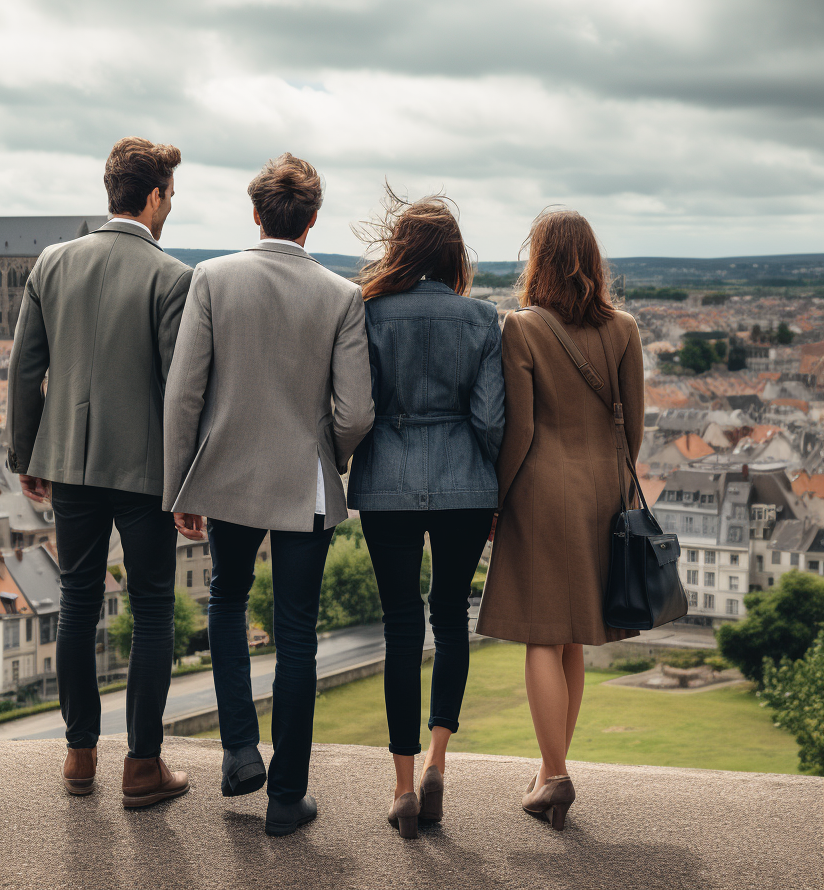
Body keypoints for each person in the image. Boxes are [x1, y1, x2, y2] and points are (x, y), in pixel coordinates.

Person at [163, 152, 374, 837]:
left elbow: (185, 392)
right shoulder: (342, 296)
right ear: (312, 221)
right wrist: (328, 457)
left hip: (223, 475)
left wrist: (180, 485)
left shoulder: (212, 278)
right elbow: (356, 414)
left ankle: (237, 751)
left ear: (255, 214)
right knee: (297, 634)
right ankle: (286, 797)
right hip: (305, 482)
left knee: (225, 599)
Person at [6, 137, 193, 808]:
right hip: (147, 474)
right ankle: (142, 767)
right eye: (171, 193)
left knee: (77, 604)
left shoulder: (53, 262)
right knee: (151, 612)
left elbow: (25, 368)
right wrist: (188, 484)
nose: (172, 204)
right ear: (152, 197)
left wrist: (26, 454)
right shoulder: (173, 277)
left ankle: (79, 756)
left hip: (72, 466)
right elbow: (180, 390)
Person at [475, 208, 644, 831]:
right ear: (594, 262)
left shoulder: (521, 328)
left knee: (542, 635)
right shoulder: (625, 328)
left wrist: (496, 500)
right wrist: (619, 486)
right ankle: (552, 769)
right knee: (572, 635)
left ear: (537, 260)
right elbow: (636, 426)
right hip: (604, 490)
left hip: (540, 489)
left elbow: (518, 430)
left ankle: (555, 775)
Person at [346, 188, 504, 839]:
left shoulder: (369, 313)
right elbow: (491, 418)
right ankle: (440, 758)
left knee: (401, 627)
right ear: (456, 255)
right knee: (451, 618)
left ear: (399, 251)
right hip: (466, 482)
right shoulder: (482, 318)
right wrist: (491, 481)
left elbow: (358, 407)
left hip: (388, 483)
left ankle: (404, 785)